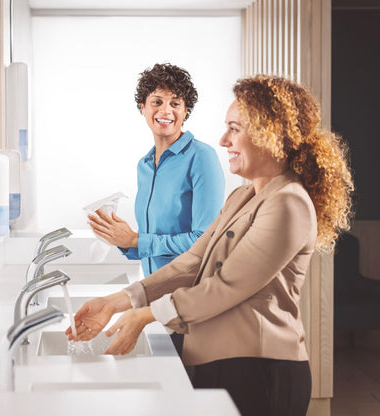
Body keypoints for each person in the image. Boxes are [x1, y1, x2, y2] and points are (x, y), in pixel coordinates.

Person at [67, 75, 354, 416]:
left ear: (271, 134)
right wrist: (119, 301)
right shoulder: (243, 196)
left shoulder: (289, 202)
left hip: (261, 369)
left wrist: (144, 315)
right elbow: (193, 262)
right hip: (216, 360)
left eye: (235, 129)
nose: (223, 140)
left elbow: (227, 286)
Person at [88, 63, 225, 278]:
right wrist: (121, 239)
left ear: (185, 110)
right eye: (157, 102)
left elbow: (206, 240)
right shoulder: (144, 166)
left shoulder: (201, 157)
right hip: (153, 290)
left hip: (190, 293)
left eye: (175, 103)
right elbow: (151, 248)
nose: (166, 110)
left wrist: (135, 239)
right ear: (142, 106)